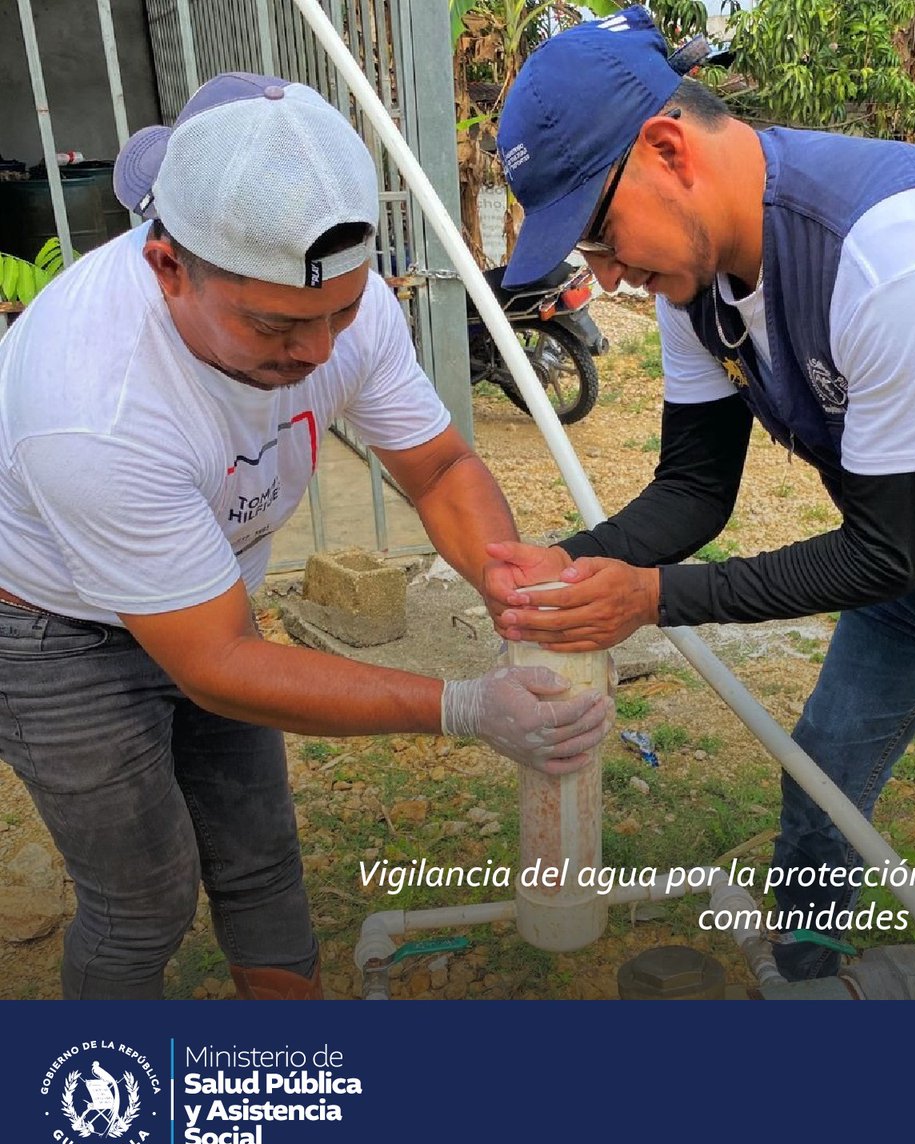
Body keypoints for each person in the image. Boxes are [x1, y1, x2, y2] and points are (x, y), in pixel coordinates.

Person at [484, 8, 915, 980]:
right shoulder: (699, 282)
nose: (606, 276)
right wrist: (578, 558)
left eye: (599, 234)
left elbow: (880, 553)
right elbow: (694, 490)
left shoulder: (898, 254)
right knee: (827, 760)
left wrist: (650, 598)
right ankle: (807, 977)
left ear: (667, 149)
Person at [0, 72, 613, 1000]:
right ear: (169, 266)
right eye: (277, 326)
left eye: (339, 314)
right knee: (143, 901)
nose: (320, 352)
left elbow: (441, 470)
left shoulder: (340, 305)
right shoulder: (95, 404)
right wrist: (462, 706)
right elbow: (216, 664)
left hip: (210, 599)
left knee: (259, 856)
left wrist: (507, 583)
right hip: (52, 631)